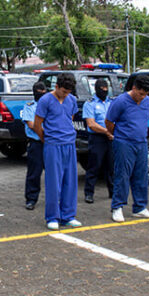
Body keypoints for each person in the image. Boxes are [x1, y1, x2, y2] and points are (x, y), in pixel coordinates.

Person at [106, 74, 149, 221]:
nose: (142, 97)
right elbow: (109, 121)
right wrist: (118, 136)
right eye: (140, 94)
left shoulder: (147, 102)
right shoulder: (121, 101)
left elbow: (145, 118)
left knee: (141, 175)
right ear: (134, 88)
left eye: (145, 95)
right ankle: (117, 206)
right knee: (122, 175)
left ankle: (140, 207)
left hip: (141, 142)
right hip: (124, 142)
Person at [34, 73, 82, 230]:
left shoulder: (71, 100)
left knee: (70, 181)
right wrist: (46, 139)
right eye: (63, 91)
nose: (65, 94)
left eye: (68, 92)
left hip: (69, 144)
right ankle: (52, 216)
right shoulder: (45, 100)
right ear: (56, 87)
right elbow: (37, 124)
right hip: (52, 144)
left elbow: (70, 118)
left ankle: (68, 215)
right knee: (54, 182)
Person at [82, 78, 113, 204]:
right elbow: (91, 124)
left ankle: (113, 192)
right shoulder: (90, 103)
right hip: (97, 138)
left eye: (106, 89)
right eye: (102, 89)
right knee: (94, 167)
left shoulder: (111, 102)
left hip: (111, 138)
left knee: (112, 167)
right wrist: (107, 132)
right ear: (96, 89)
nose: (104, 91)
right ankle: (89, 193)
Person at [21, 81, 47, 210]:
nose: (41, 94)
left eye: (43, 92)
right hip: (36, 143)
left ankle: (55, 198)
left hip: (50, 143)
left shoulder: (49, 105)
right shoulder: (29, 106)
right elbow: (32, 124)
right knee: (34, 173)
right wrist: (44, 135)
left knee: (54, 172)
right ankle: (31, 199)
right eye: (38, 92)